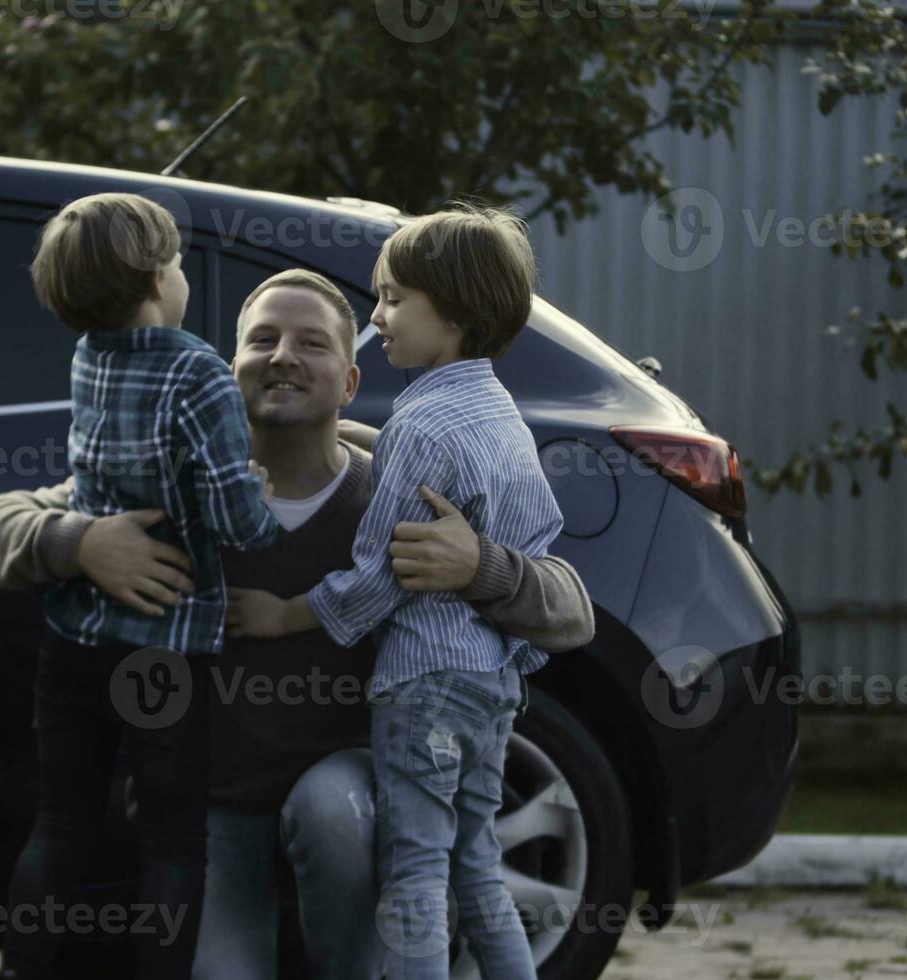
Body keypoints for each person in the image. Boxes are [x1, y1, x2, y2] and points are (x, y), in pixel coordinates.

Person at [0, 267, 594, 979]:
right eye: (263, 339)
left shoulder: (401, 488)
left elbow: (572, 611)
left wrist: (482, 568)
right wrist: (80, 543)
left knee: (333, 808)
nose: (284, 355)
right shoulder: (171, 487)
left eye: (312, 343)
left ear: (349, 382)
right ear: (229, 373)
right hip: (216, 815)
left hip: (351, 803)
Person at [226, 207, 556, 979]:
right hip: (492, 684)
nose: (379, 315)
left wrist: (285, 616)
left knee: (414, 879)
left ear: (458, 311)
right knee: (476, 870)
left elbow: (381, 574)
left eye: (395, 298)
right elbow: (538, 536)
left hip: (423, 688)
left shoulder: (421, 422)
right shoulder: (503, 415)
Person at [2, 192, 280, 980]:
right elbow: (239, 522)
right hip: (165, 645)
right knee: (169, 839)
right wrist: (256, 491)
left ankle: (24, 967)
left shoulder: (88, 354)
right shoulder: (198, 372)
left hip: (74, 636)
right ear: (159, 281)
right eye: (179, 263)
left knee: (60, 822)